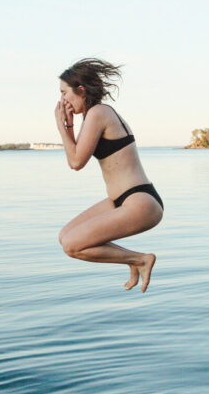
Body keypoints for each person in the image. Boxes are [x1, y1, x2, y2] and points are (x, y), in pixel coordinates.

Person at [55, 59, 163, 292]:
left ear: (80, 90)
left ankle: (140, 259)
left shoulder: (99, 112)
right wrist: (70, 127)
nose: (62, 100)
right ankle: (134, 261)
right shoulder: (93, 116)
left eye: (65, 93)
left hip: (139, 201)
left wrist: (62, 126)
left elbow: (75, 162)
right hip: (121, 200)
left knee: (73, 245)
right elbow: (76, 156)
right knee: (65, 237)